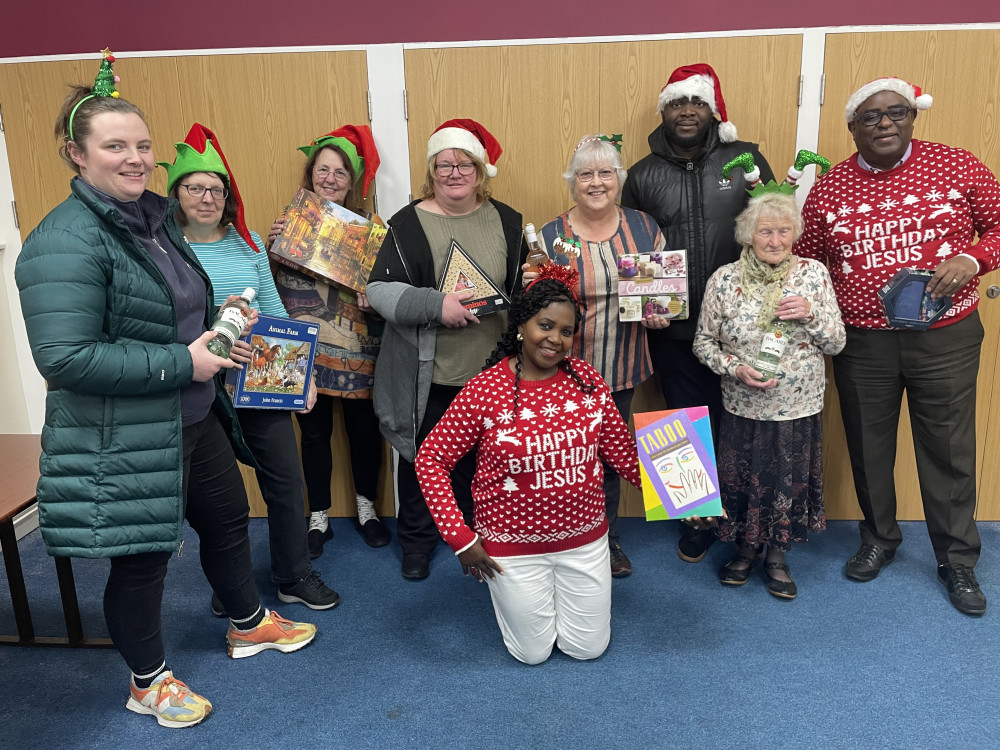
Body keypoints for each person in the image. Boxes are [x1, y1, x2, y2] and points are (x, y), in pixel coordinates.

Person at [13, 51, 316, 729]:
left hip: (192, 415)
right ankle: (147, 683)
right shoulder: (63, 242)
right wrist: (185, 361)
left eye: (143, 145)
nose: (136, 158)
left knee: (228, 521)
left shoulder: (151, 224)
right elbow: (65, 358)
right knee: (145, 560)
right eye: (115, 145)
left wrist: (218, 330)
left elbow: (167, 316)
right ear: (76, 154)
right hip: (125, 433)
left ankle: (247, 623)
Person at [797, 77, 1000, 616]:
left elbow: (999, 226)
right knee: (868, 446)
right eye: (870, 117)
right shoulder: (832, 187)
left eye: (896, 113)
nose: (884, 123)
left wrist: (975, 259)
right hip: (864, 343)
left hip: (944, 338)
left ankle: (956, 559)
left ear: (913, 117)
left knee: (949, 449)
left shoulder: (957, 165)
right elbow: (806, 260)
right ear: (852, 128)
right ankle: (879, 539)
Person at [414, 264, 641, 664]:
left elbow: (625, 456)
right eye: (545, 325)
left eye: (567, 331)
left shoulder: (588, 381)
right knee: (532, 654)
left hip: (584, 541)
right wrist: (460, 539)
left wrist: (690, 499)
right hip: (511, 547)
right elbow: (431, 459)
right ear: (522, 324)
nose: (555, 339)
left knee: (587, 649)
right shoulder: (484, 391)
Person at [160, 123, 339, 612]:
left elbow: (277, 313)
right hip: (197, 387)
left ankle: (293, 575)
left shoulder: (249, 241)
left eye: (216, 189)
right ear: (176, 193)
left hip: (258, 379)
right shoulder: (162, 248)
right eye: (194, 187)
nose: (206, 197)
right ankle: (232, 588)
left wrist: (302, 377)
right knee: (218, 503)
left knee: (285, 479)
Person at [621, 62, 775, 565]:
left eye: (696, 103)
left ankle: (747, 517)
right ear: (664, 111)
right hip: (674, 328)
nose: (686, 111)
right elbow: (633, 245)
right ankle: (694, 520)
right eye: (676, 103)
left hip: (744, 324)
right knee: (680, 424)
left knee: (746, 422)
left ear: (712, 110)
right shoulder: (642, 174)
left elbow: (775, 224)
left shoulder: (745, 158)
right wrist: (646, 308)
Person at [367, 119, 528, 580]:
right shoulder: (406, 222)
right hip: (428, 373)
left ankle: (484, 534)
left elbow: (519, 292)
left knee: (488, 463)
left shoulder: (508, 221)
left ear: (480, 170)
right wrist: (437, 305)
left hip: (491, 373)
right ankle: (416, 544)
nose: (454, 172)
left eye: (464, 164)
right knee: (422, 460)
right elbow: (378, 290)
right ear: (431, 172)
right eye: (444, 165)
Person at [693, 188, 845, 599]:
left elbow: (836, 343)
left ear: (794, 233)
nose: (775, 241)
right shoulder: (724, 279)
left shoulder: (813, 274)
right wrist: (734, 367)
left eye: (783, 231)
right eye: (765, 232)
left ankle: (777, 556)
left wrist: (811, 314)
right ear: (748, 235)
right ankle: (744, 549)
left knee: (784, 480)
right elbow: (704, 343)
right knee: (744, 479)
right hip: (743, 404)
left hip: (798, 405)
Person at [532, 134, 670, 579]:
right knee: (564, 459)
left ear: (619, 179)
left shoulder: (644, 228)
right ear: (573, 182)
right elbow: (535, 302)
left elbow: (661, 295)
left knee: (611, 458)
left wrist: (658, 315)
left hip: (623, 365)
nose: (596, 182)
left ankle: (606, 540)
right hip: (564, 369)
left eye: (605, 173)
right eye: (586, 174)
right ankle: (558, 538)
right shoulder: (551, 236)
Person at [269, 125, 390, 556]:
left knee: (364, 432)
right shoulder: (290, 220)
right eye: (324, 170)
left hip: (359, 347)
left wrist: (374, 290)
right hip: (304, 349)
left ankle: (367, 509)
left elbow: (389, 285)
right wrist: (271, 246)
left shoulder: (372, 227)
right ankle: (318, 515)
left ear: (352, 181)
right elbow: (269, 283)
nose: (331, 179)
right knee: (314, 434)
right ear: (311, 174)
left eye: (340, 172)